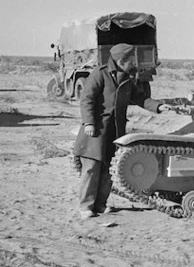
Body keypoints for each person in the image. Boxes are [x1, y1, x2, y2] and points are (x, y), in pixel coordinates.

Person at [73, 43, 173, 219]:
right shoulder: (100, 73)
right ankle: (86, 206)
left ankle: (100, 204)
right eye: (130, 60)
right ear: (121, 60)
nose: (133, 63)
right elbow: (87, 99)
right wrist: (89, 122)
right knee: (92, 167)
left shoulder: (127, 78)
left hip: (116, 130)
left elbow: (140, 98)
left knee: (109, 169)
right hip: (96, 129)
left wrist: (158, 106)